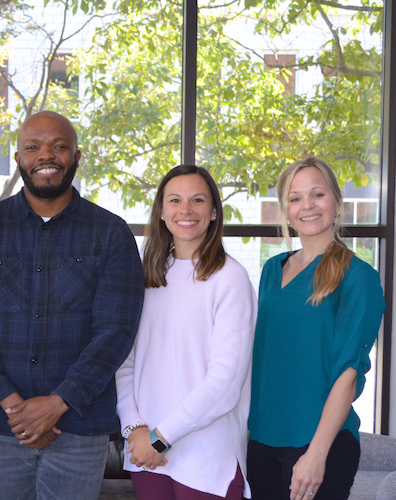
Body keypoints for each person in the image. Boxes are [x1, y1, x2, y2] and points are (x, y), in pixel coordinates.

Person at [0, 110, 145, 500]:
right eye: (33, 147)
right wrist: (15, 406)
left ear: (76, 157)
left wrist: (58, 403)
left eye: (59, 146)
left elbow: (116, 331)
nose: (46, 155)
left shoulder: (111, 234)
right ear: (19, 158)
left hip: (80, 425)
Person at [248, 157, 385, 500]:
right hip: (261, 439)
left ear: (337, 202)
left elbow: (348, 374)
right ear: (286, 209)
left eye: (317, 194)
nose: (306, 206)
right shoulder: (271, 270)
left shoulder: (358, 277)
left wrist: (317, 454)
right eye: (295, 198)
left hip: (320, 442)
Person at [115, 164, 256, 500]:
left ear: (213, 212)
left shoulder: (230, 279)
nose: (186, 210)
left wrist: (160, 437)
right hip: (148, 457)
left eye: (197, 200)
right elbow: (125, 360)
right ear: (162, 212)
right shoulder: (148, 276)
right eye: (175, 200)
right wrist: (134, 428)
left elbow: (224, 384)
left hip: (207, 461)